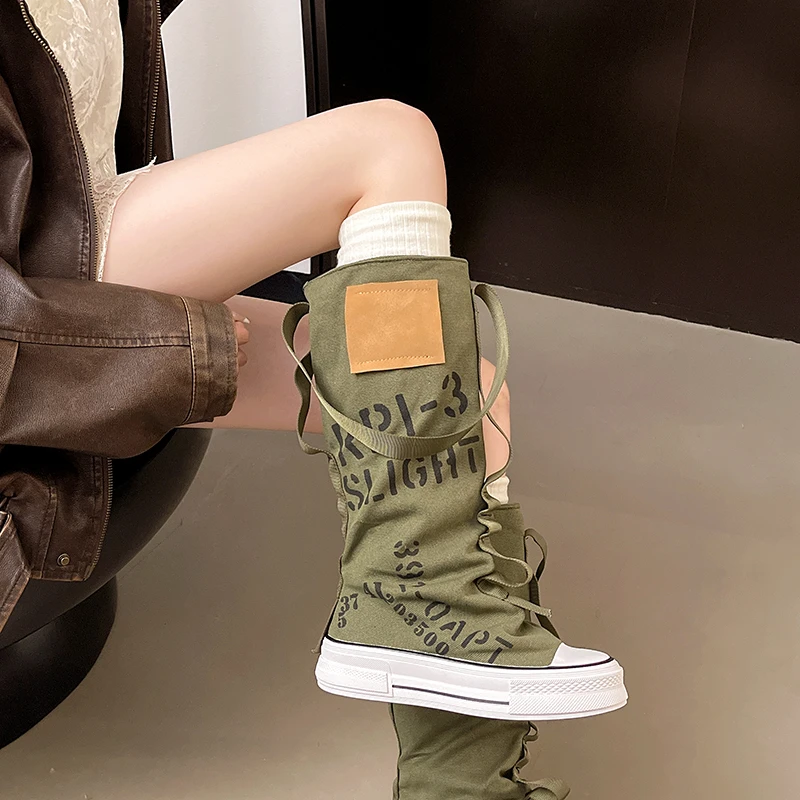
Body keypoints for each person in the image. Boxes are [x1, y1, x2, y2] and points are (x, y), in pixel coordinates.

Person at [0, 1, 626, 796]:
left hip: (75, 252)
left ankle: (460, 781)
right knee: (387, 144)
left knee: (466, 400)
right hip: (30, 320)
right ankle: (412, 595)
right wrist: (173, 345)